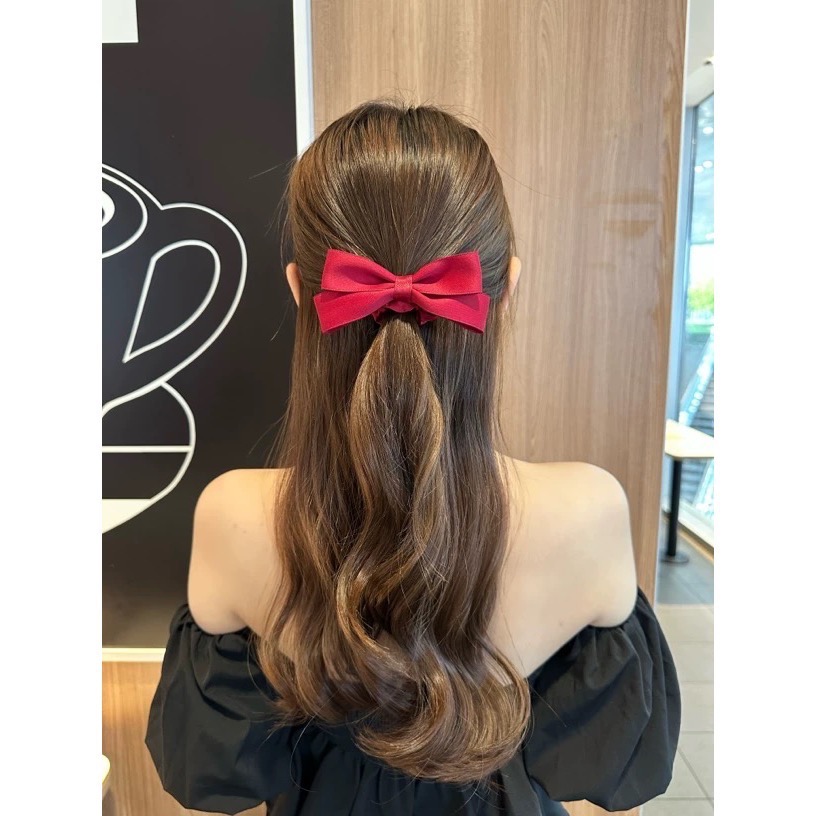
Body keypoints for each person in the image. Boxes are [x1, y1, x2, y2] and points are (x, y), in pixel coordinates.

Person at [145, 100, 681, 815]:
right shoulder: (590, 509)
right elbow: (604, 759)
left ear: (300, 291)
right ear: (507, 288)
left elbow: (214, 768)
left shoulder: (232, 513)